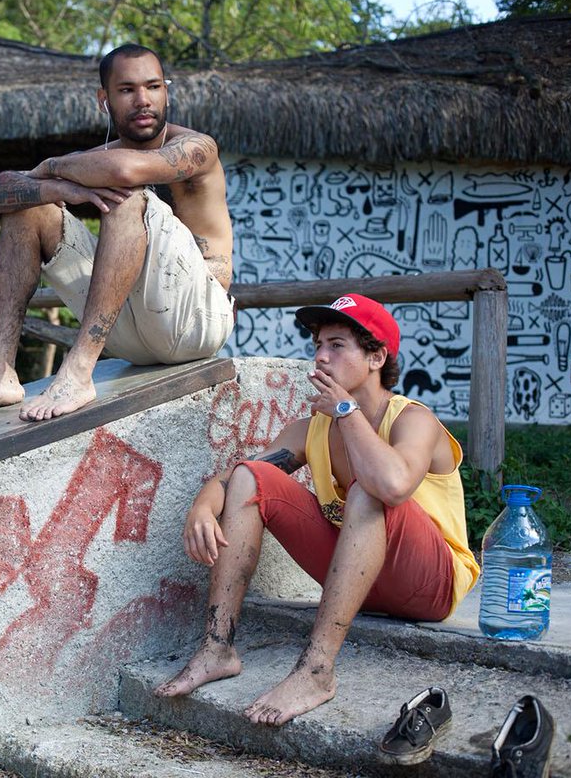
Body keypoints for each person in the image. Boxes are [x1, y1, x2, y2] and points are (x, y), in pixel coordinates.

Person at [154, 294, 480, 725]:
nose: (321, 357)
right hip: (358, 580)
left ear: (377, 357)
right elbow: (236, 479)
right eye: (318, 345)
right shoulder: (312, 430)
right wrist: (202, 506)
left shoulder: (413, 420)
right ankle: (217, 648)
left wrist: (346, 410)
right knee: (252, 477)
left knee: (368, 491)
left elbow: (393, 486)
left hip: (428, 585)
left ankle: (316, 671)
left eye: (337, 345)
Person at [0, 43, 234, 422]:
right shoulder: (96, 160)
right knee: (26, 209)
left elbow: (124, 172)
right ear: (104, 100)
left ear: (166, 91)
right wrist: (56, 188)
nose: (143, 100)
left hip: (197, 321)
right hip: (130, 336)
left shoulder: (196, 147)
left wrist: (52, 168)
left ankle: (79, 371)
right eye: (127, 90)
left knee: (126, 196)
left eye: (153, 87)